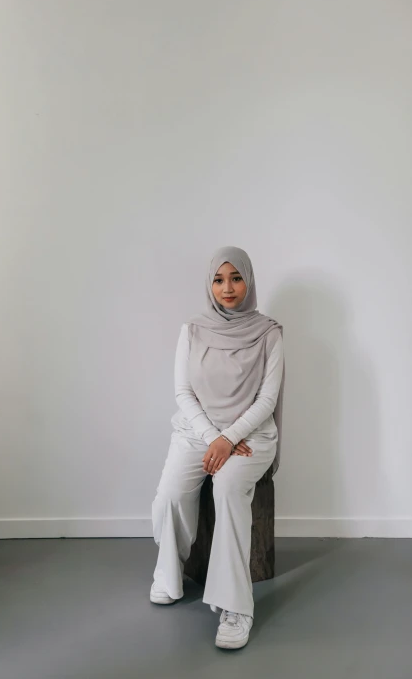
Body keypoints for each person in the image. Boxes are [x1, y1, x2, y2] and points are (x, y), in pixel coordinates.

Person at [150, 246, 285, 650]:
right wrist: (214, 438)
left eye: (236, 278)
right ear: (210, 284)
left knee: (227, 491)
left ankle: (235, 607)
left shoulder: (269, 332)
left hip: (251, 436)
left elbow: (267, 400)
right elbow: (182, 391)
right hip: (197, 432)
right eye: (219, 279)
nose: (228, 288)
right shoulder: (192, 329)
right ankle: (169, 571)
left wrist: (230, 438)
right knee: (171, 494)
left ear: (249, 281)